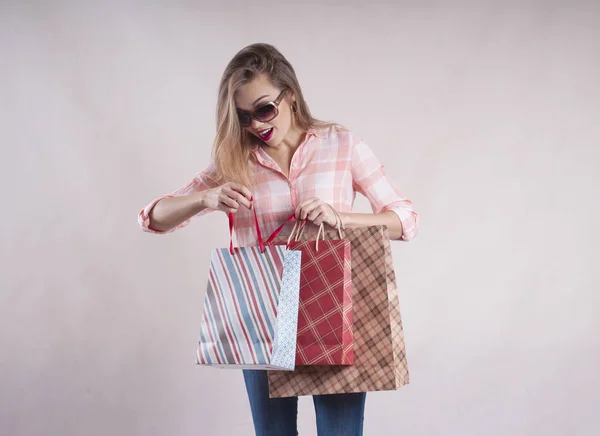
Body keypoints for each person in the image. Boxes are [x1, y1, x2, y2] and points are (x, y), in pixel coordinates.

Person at [138, 43, 419, 436]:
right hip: (265, 313)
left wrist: (342, 218)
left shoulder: (341, 145)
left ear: (289, 95)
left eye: (264, 109)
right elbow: (152, 218)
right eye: (243, 116)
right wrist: (206, 197)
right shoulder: (233, 159)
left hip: (332, 306)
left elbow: (405, 219)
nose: (256, 124)